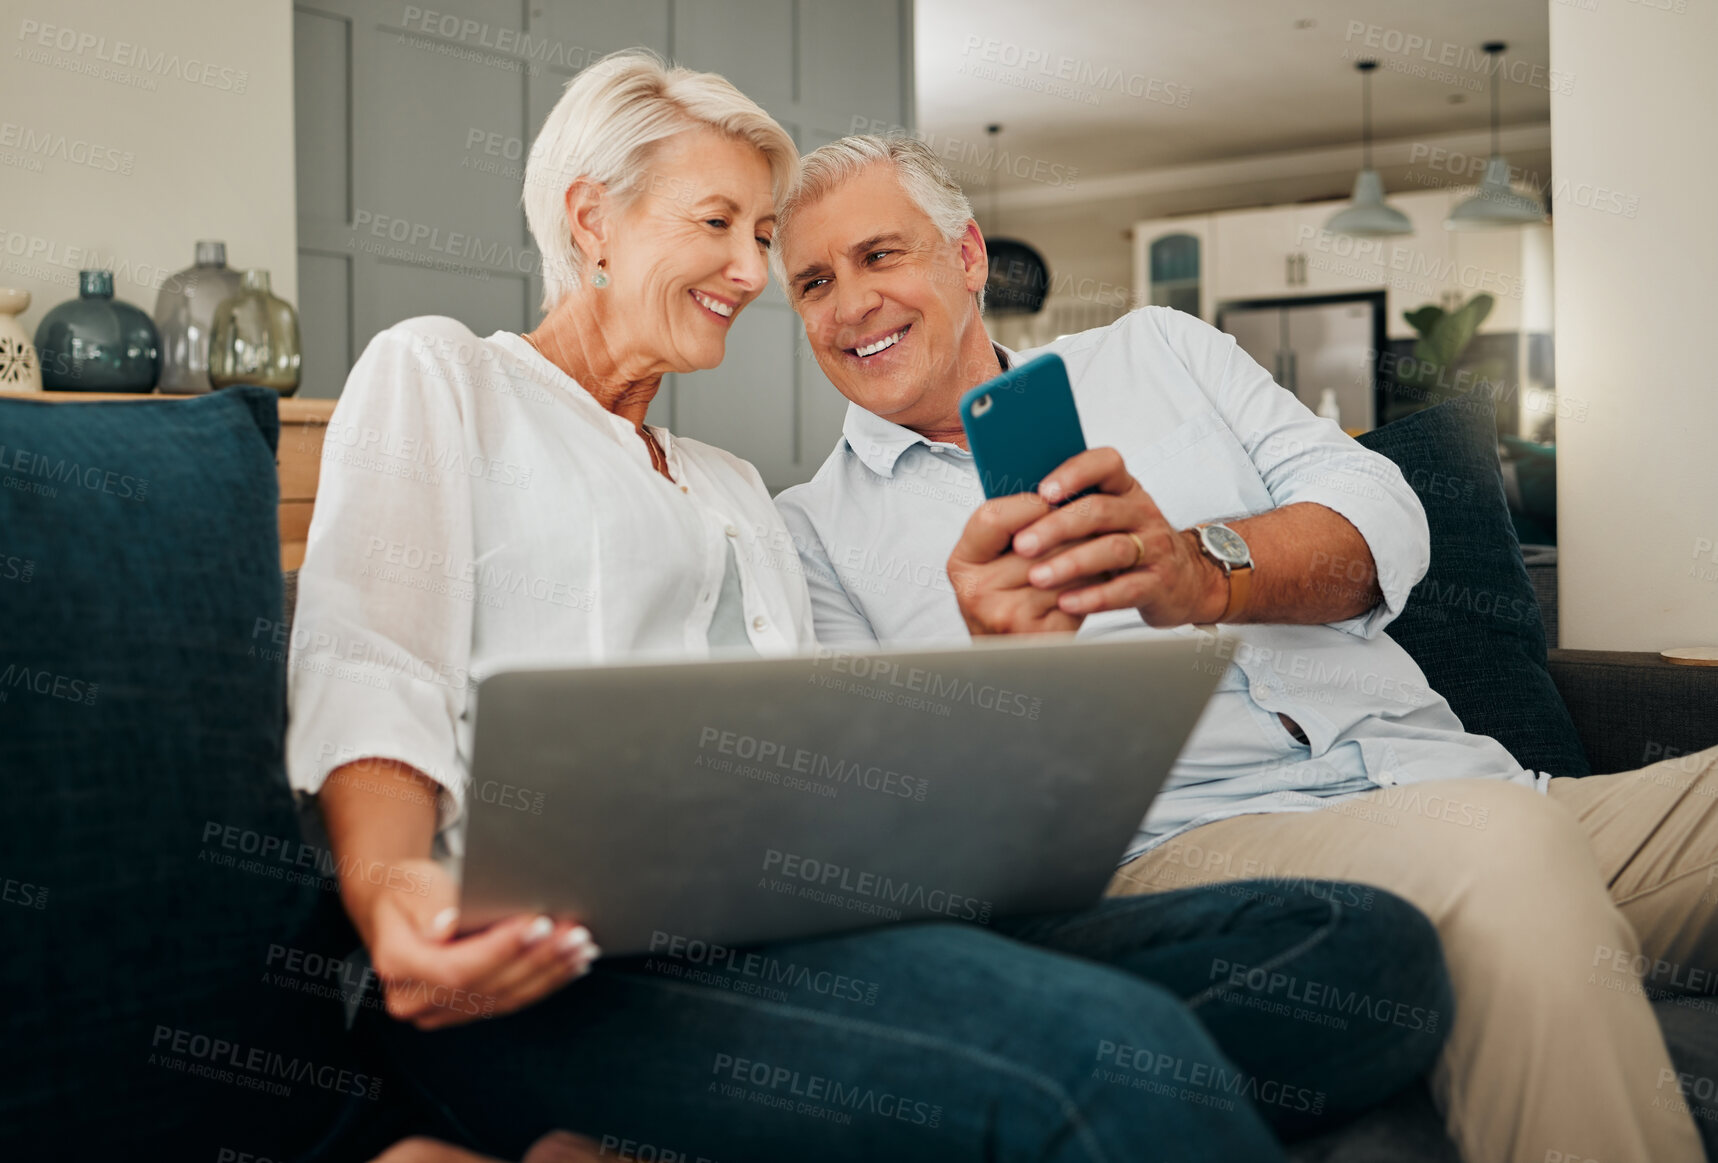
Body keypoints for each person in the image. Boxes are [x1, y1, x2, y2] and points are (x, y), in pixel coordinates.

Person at [286, 52, 1449, 1162]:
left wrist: (994, 688)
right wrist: (393, 891)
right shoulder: (448, 377)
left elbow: (826, 747)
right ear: (591, 219)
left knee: (1364, 952)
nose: (751, 272)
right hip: (561, 967)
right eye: (717, 225)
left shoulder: (736, 487)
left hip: (811, 926)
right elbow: (371, 658)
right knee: (1105, 1053)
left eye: (756, 236)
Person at [770, 132, 1718, 1163]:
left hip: (1481, 784)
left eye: (877, 255)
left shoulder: (1158, 350)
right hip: (1204, 861)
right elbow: (899, 825)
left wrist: (1202, 567)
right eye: (811, 281)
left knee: (1510, 838)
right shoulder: (809, 532)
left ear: (965, 256)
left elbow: (1381, 514)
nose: (847, 302)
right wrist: (1006, 669)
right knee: (1496, 849)